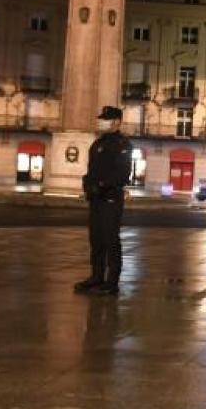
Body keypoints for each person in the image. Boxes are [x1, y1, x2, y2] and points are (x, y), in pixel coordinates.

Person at [74, 106, 133, 296]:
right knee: (96, 239)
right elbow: (92, 170)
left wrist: (102, 184)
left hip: (110, 198)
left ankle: (112, 282)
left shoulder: (123, 145)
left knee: (110, 239)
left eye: (105, 119)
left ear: (116, 122)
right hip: (96, 198)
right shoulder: (97, 143)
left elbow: (123, 174)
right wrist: (88, 185)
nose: (101, 122)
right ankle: (96, 276)